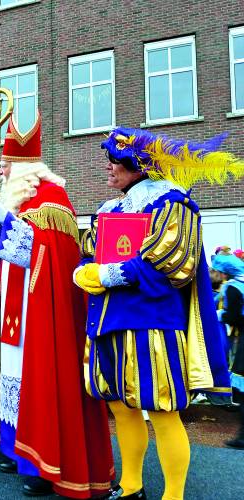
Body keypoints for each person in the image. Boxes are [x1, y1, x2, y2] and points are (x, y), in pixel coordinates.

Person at [74, 127, 234, 499]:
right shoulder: (109, 210)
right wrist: (84, 268)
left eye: (115, 160)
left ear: (138, 163)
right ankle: (131, 486)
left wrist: (107, 274)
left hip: (152, 326)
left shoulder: (172, 203)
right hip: (109, 322)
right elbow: (89, 251)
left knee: (162, 411)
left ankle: (173, 495)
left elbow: (172, 263)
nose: (109, 167)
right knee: (122, 408)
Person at [0, 113, 114, 498]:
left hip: (39, 313)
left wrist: (10, 225)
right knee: (11, 378)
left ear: (24, 168)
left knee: (38, 379)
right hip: (11, 309)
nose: (0, 170)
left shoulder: (52, 200)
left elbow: (49, 255)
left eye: (6, 164)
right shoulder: (15, 198)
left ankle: (41, 462)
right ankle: (16, 448)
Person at [211, 254, 244, 449]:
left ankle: (243, 437)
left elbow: (234, 317)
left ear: (223, 272)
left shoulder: (233, 287)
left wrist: (218, 314)